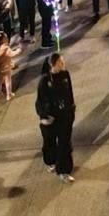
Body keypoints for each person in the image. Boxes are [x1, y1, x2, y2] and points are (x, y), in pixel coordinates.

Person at [36, 53, 76, 183]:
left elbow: (70, 93)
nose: (63, 64)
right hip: (51, 117)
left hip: (65, 115)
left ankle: (64, 170)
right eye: (60, 62)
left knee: (64, 143)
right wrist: (44, 116)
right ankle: (50, 160)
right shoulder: (44, 81)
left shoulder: (65, 75)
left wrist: (71, 109)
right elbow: (40, 101)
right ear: (52, 65)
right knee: (50, 142)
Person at [0, 32, 20, 101]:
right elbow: (12, 54)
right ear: (2, 40)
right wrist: (19, 50)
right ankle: (9, 95)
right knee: (8, 81)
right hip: (7, 67)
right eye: (5, 37)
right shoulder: (6, 48)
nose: (7, 38)